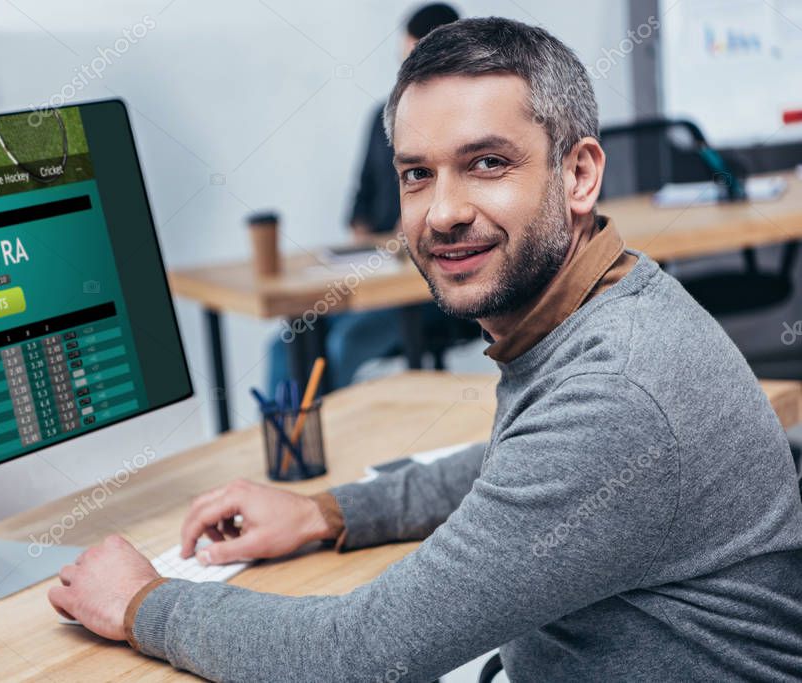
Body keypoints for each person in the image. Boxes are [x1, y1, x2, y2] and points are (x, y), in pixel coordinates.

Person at [49, 17, 802, 681]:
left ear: (578, 174)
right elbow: (517, 468)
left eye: (486, 163)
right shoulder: (613, 302)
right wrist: (328, 511)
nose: (442, 212)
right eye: (417, 174)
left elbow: (359, 656)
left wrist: (143, 601)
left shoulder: (616, 392)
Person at [266, 3, 463, 395]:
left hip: (434, 289)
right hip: (378, 275)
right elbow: (359, 207)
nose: (407, 73)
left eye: (416, 60)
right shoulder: (384, 118)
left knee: (344, 345)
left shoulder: (471, 123)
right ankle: (292, 452)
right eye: (403, 60)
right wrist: (371, 249)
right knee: (284, 345)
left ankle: (325, 448)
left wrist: (412, 233)